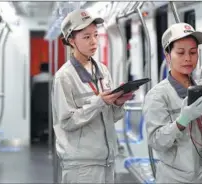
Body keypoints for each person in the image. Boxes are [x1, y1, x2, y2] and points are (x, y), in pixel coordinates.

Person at [52, 9, 137, 183]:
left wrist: (118, 103)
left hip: (106, 160)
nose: (94, 42)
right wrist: (99, 102)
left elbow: (109, 117)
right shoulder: (64, 77)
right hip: (81, 165)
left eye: (95, 35)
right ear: (71, 41)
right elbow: (67, 122)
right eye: (86, 37)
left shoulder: (103, 71)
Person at [142, 23, 202, 183]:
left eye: (192, 52)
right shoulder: (158, 96)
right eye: (180, 52)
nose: (187, 58)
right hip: (176, 179)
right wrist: (181, 121)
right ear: (168, 56)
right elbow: (156, 141)